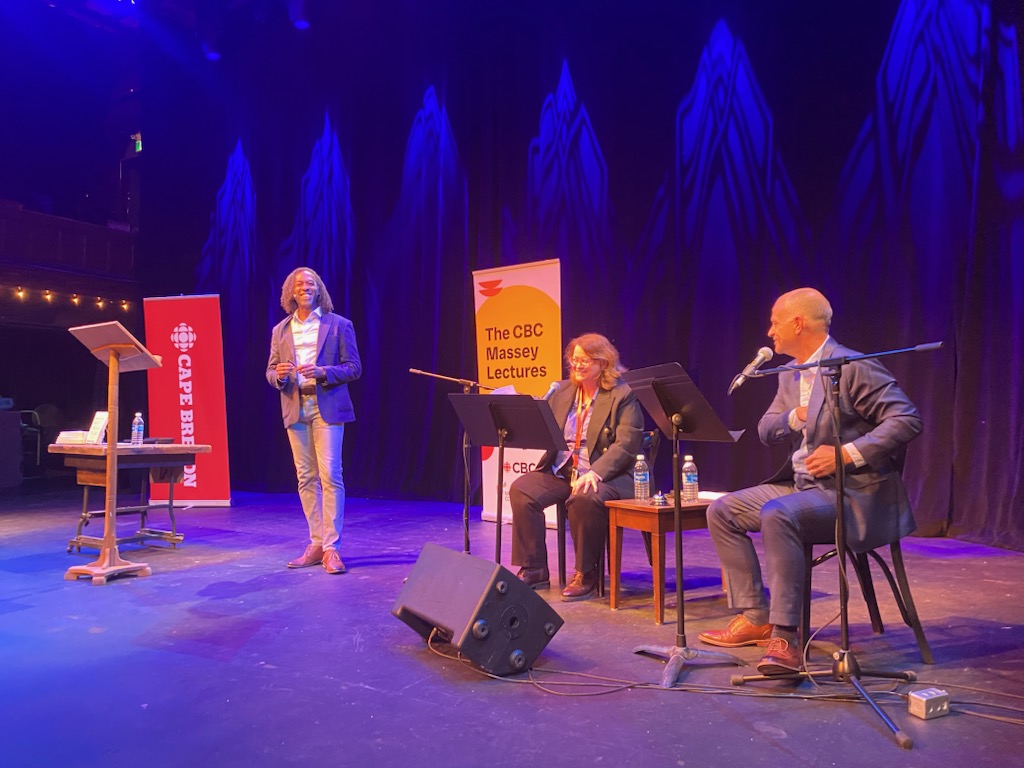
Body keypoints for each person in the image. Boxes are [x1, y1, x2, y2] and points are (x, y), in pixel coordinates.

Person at [699, 288, 923, 673]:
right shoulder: (789, 374)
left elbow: (906, 419)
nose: (770, 331)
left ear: (798, 323)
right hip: (800, 486)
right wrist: (797, 415)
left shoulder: (852, 365)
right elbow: (767, 429)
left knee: (778, 513)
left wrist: (846, 454)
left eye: (775, 322)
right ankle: (757, 616)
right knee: (723, 510)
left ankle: (786, 636)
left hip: (851, 492)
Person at [510, 333, 643, 601]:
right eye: (575, 359)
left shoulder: (623, 394)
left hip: (606, 475)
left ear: (603, 362)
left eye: (585, 360)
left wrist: (596, 472)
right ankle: (534, 568)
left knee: (583, 498)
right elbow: (547, 430)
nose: (578, 365)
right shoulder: (562, 391)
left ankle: (586, 574)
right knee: (522, 489)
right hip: (564, 470)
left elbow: (628, 442)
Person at [267, 267, 362, 574]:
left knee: (330, 475)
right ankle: (316, 542)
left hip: (327, 407)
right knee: (305, 478)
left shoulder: (339, 325)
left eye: (310, 283)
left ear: (318, 289)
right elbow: (269, 371)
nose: (304, 287)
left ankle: (332, 547)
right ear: (291, 293)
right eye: (299, 285)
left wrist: (324, 372)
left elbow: (354, 368)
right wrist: (279, 376)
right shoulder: (280, 330)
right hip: (295, 407)